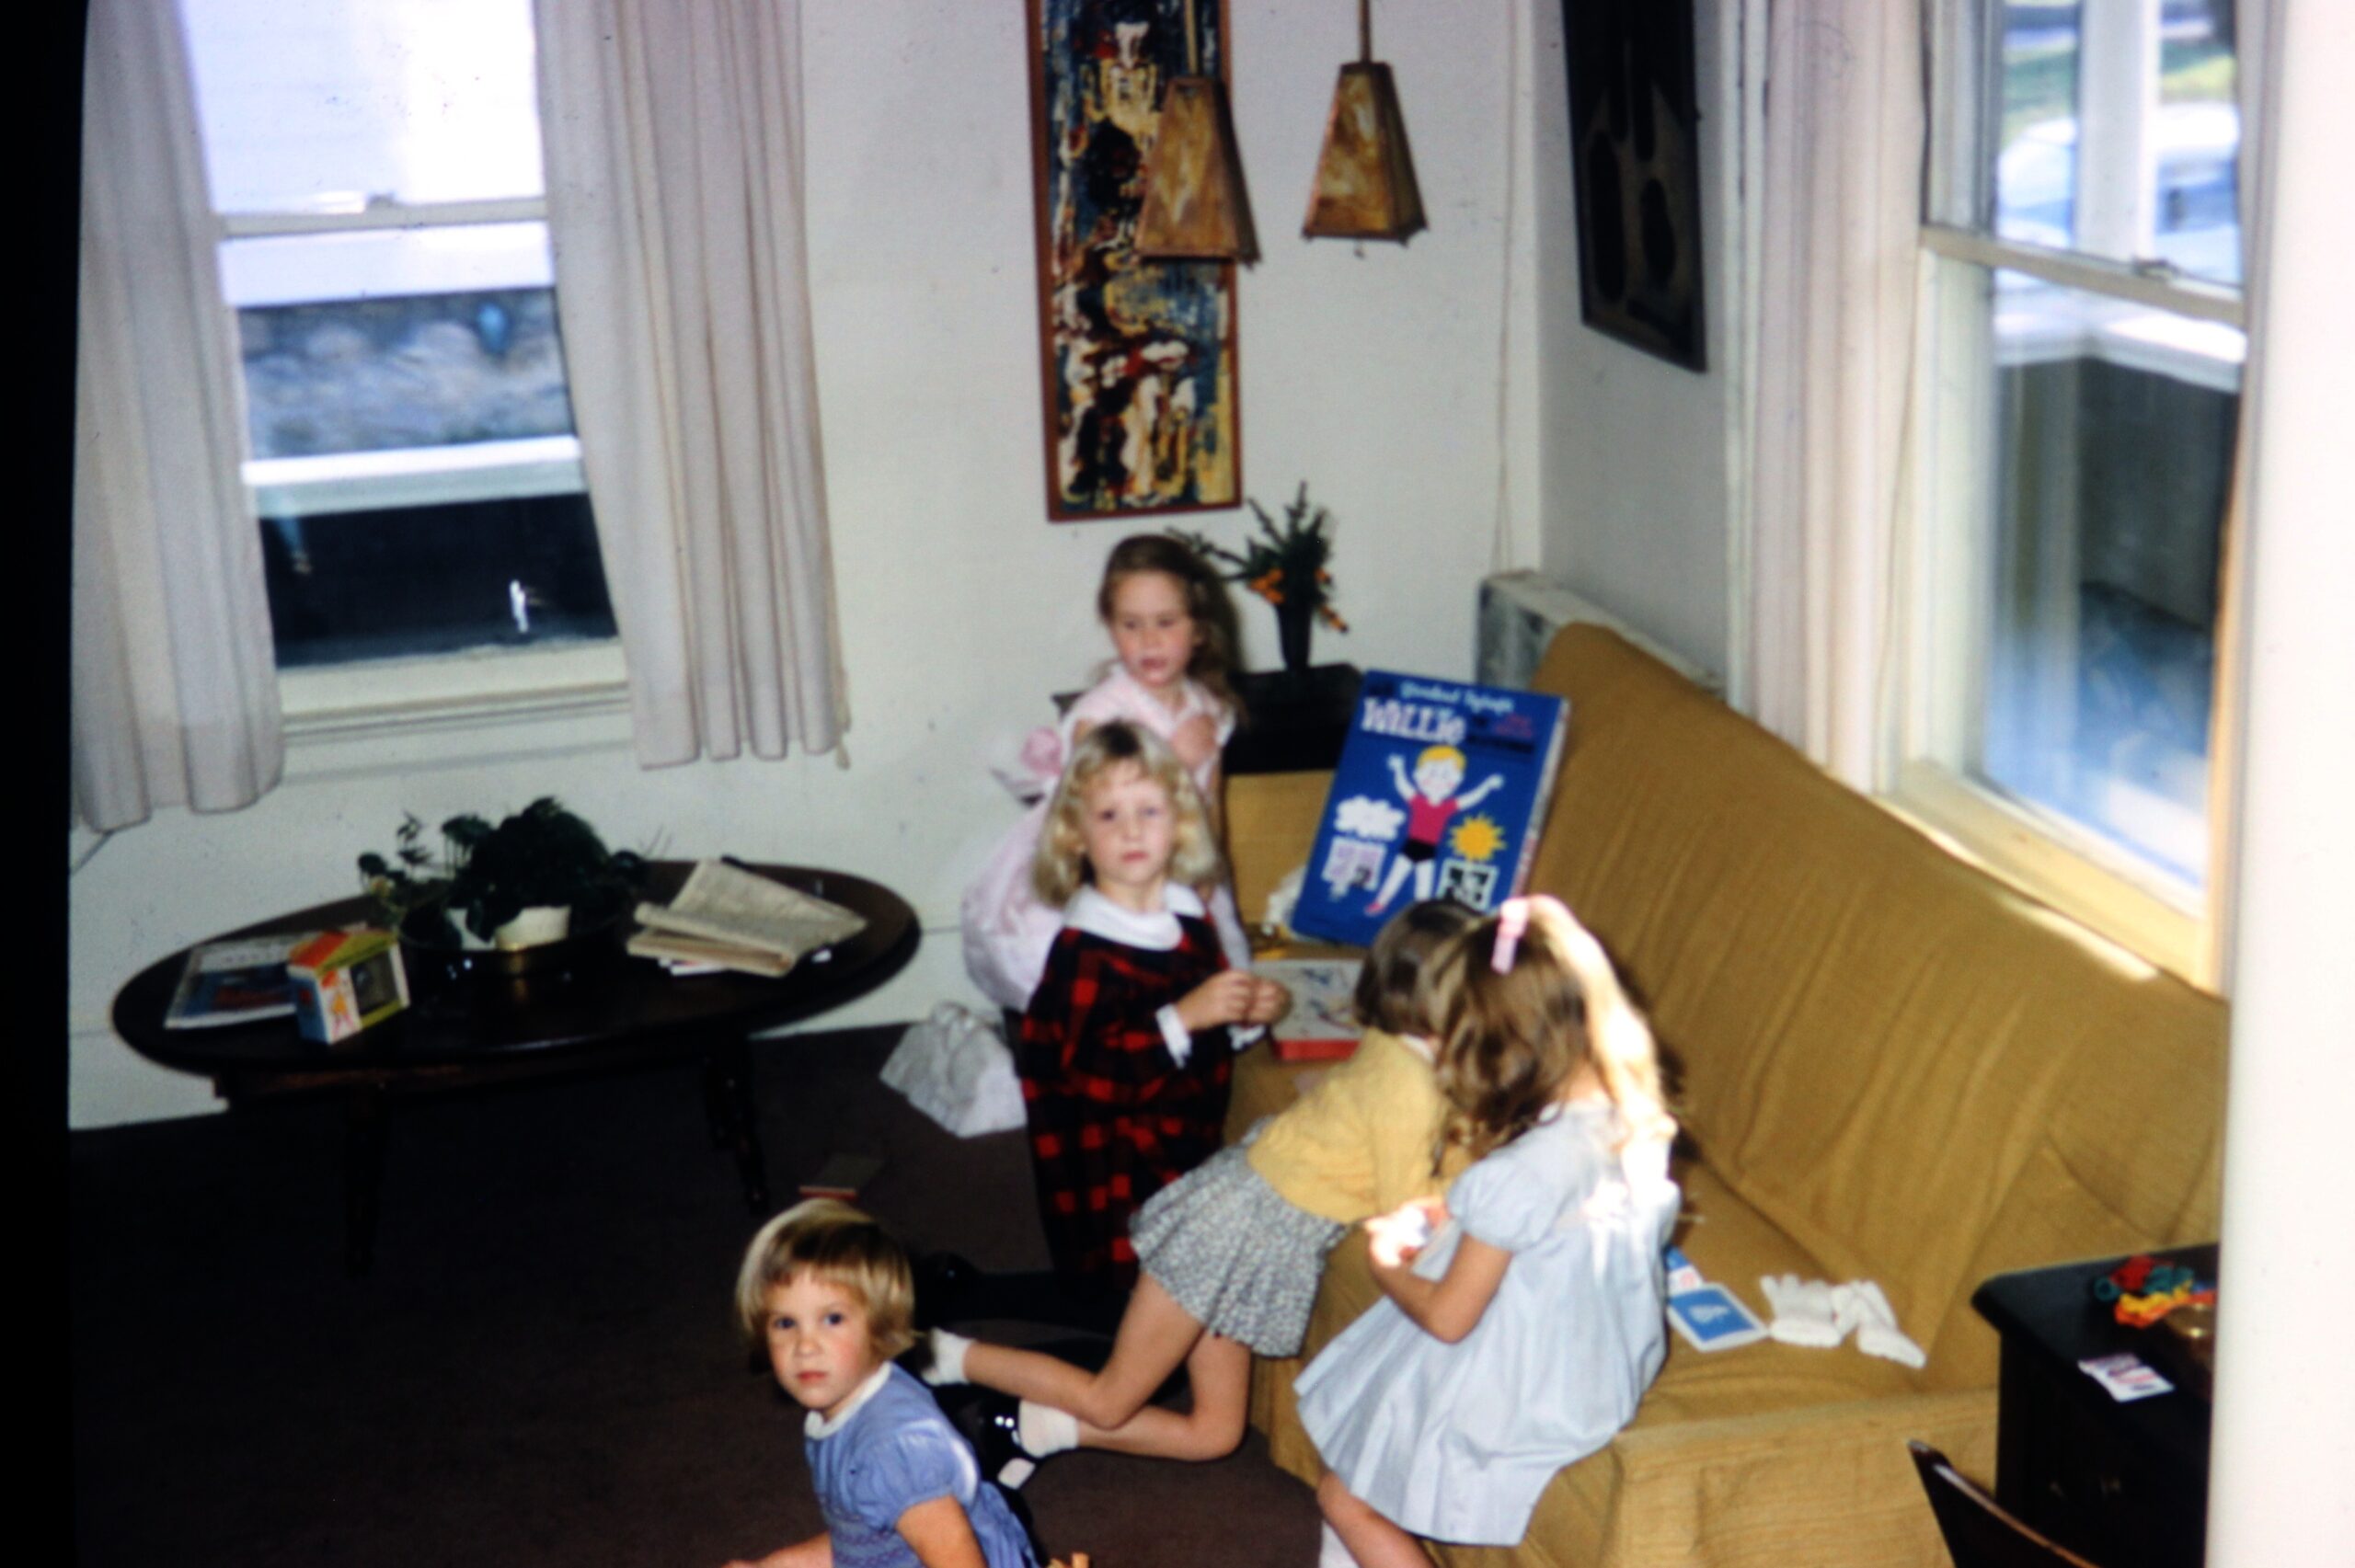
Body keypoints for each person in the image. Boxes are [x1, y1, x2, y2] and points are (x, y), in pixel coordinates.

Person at [922, 901, 1481, 1486]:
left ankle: (1029, 1427)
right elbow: (1408, 1206)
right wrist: (1478, 1184)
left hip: (1250, 1239)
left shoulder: (1400, 1046)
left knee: (1214, 1432)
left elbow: (1426, 1135)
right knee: (1110, 1399)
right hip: (1229, 1232)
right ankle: (937, 1355)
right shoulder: (1410, 1085)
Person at [1294, 896, 1681, 1568]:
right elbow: (1560, 1224)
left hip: (1529, 1396)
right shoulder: (1634, 1117)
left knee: (1343, 1495)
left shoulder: (1519, 1174)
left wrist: (1386, 1264)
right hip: (1601, 1365)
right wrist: (1455, 1214)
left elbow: (1448, 1320)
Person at [1010, 721, 1285, 1302]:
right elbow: (1091, 1071)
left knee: (1186, 1248)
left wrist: (1242, 1010)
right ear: (1075, 836)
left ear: (1179, 823)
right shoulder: (1084, 951)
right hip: (1113, 1157)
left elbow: (1204, 1013)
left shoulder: (1187, 918)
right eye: (1109, 815)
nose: (1131, 831)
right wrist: (1183, 1018)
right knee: (1134, 1276)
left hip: (1181, 1129)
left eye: (1149, 811)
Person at [961, 534, 1252, 1017]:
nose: (1149, 641)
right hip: (1119, 879)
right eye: (1130, 625)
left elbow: (1212, 805)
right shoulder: (1098, 718)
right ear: (1111, 627)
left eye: (1166, 623)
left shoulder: (1208, 708)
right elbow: (1102, 823)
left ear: (1199, 629)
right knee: (1132, 1008)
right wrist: (1175, 760)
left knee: (1206, 996)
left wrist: (1210, 875)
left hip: (1186, 871)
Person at [721, 1199, 1040, 1568]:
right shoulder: (849, 1407)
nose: (805, 1346)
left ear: (880, 1323)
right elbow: (862, 1538)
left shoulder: (890, 1447)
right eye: (786, 1323)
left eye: (832, 1319)